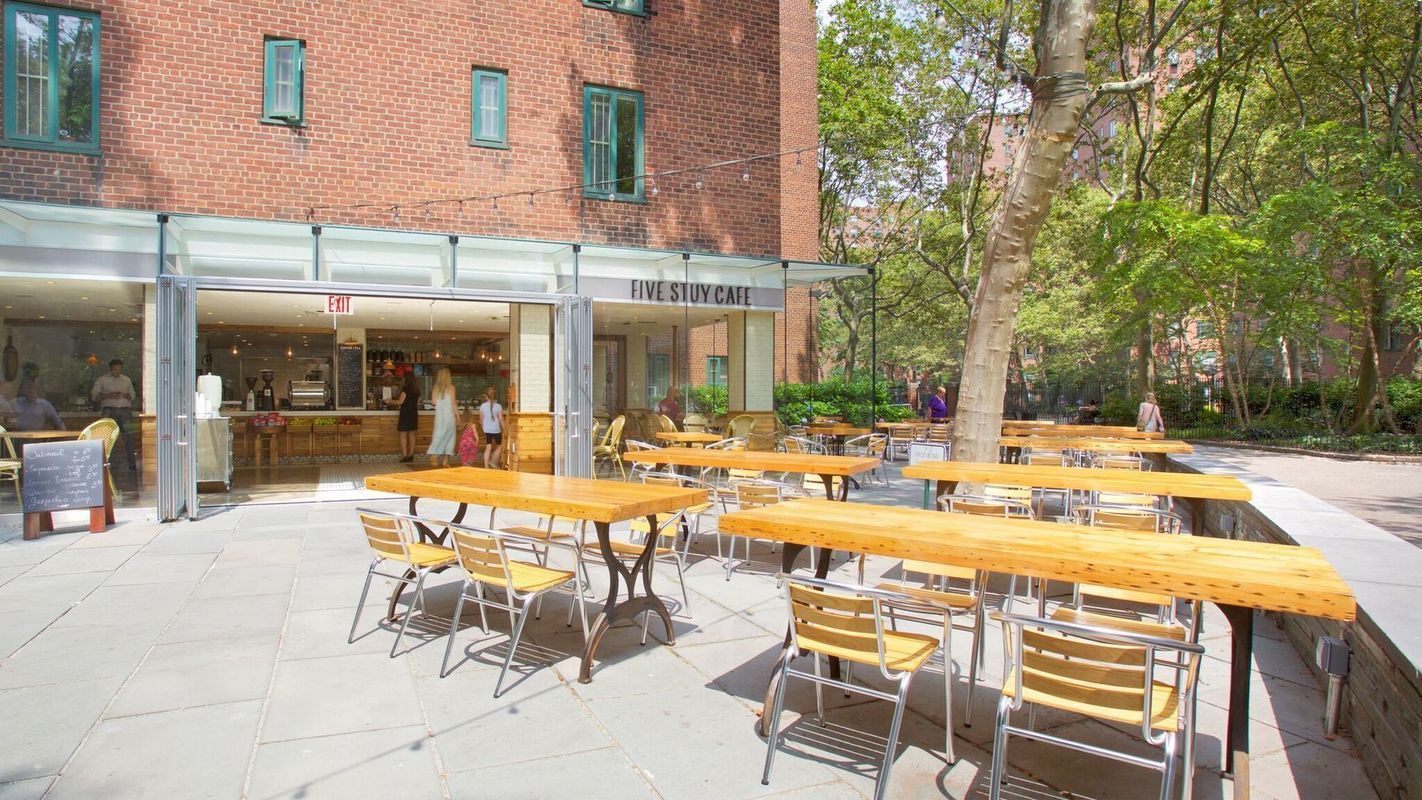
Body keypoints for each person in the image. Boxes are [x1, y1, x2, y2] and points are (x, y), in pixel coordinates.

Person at [91, 358, 136, 468]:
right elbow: (94, 396)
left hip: (125, 410)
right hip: (109, 410)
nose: (117, 372)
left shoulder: (126, 380)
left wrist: (126, 395)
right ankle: (109, 465)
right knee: (109, 438)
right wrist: (109, 395)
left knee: (129, 437)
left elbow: (133, 396)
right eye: (115, 370)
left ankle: (132, 465)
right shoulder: (102, 380)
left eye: (119, 369)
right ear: (110, 369)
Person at [425, 367, 457, 468]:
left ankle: (435, 454)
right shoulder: (451, 388)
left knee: (438, 435)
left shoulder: (435, 388)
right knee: (450, 437)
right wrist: (457, 415)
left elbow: (433, 402)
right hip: (449, 416)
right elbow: (453, 403)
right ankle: (445, 461)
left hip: (439, 416)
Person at [386, 372, 420, 463]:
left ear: (406, 379)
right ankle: (411, 455)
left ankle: (404, 456)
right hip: (413, 413)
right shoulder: (416, 390)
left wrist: (390, 401)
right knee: (412, 434)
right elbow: (416, 403)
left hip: (405, 413)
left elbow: (400, 402)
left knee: (403, 434)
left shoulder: (405, 389)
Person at [479, 385, 506, 469]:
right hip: (496, 430)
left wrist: (483, 429)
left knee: (488, 448)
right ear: (494, 396)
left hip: (487, 430)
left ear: (486, 396)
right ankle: (493, 461)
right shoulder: (498, 406)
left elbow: (481, 420)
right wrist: (505, 429)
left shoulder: (482, 406)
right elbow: (501, 419)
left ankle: (486, 466)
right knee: (500, 446)